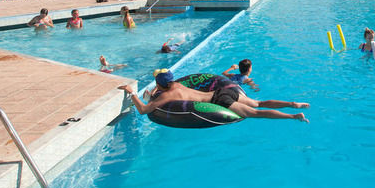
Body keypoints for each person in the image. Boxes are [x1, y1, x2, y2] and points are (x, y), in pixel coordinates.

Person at [119, 71, 308, 122]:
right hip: (223, 91)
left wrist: (132, 92)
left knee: (255, 114)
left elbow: (143, 110)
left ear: (159, 85)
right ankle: (293, 104)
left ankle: (293, 116)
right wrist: (155, 91)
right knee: (258, 103)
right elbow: (161, 87)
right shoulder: (177, 85)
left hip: (219, 101)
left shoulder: (167, 96)